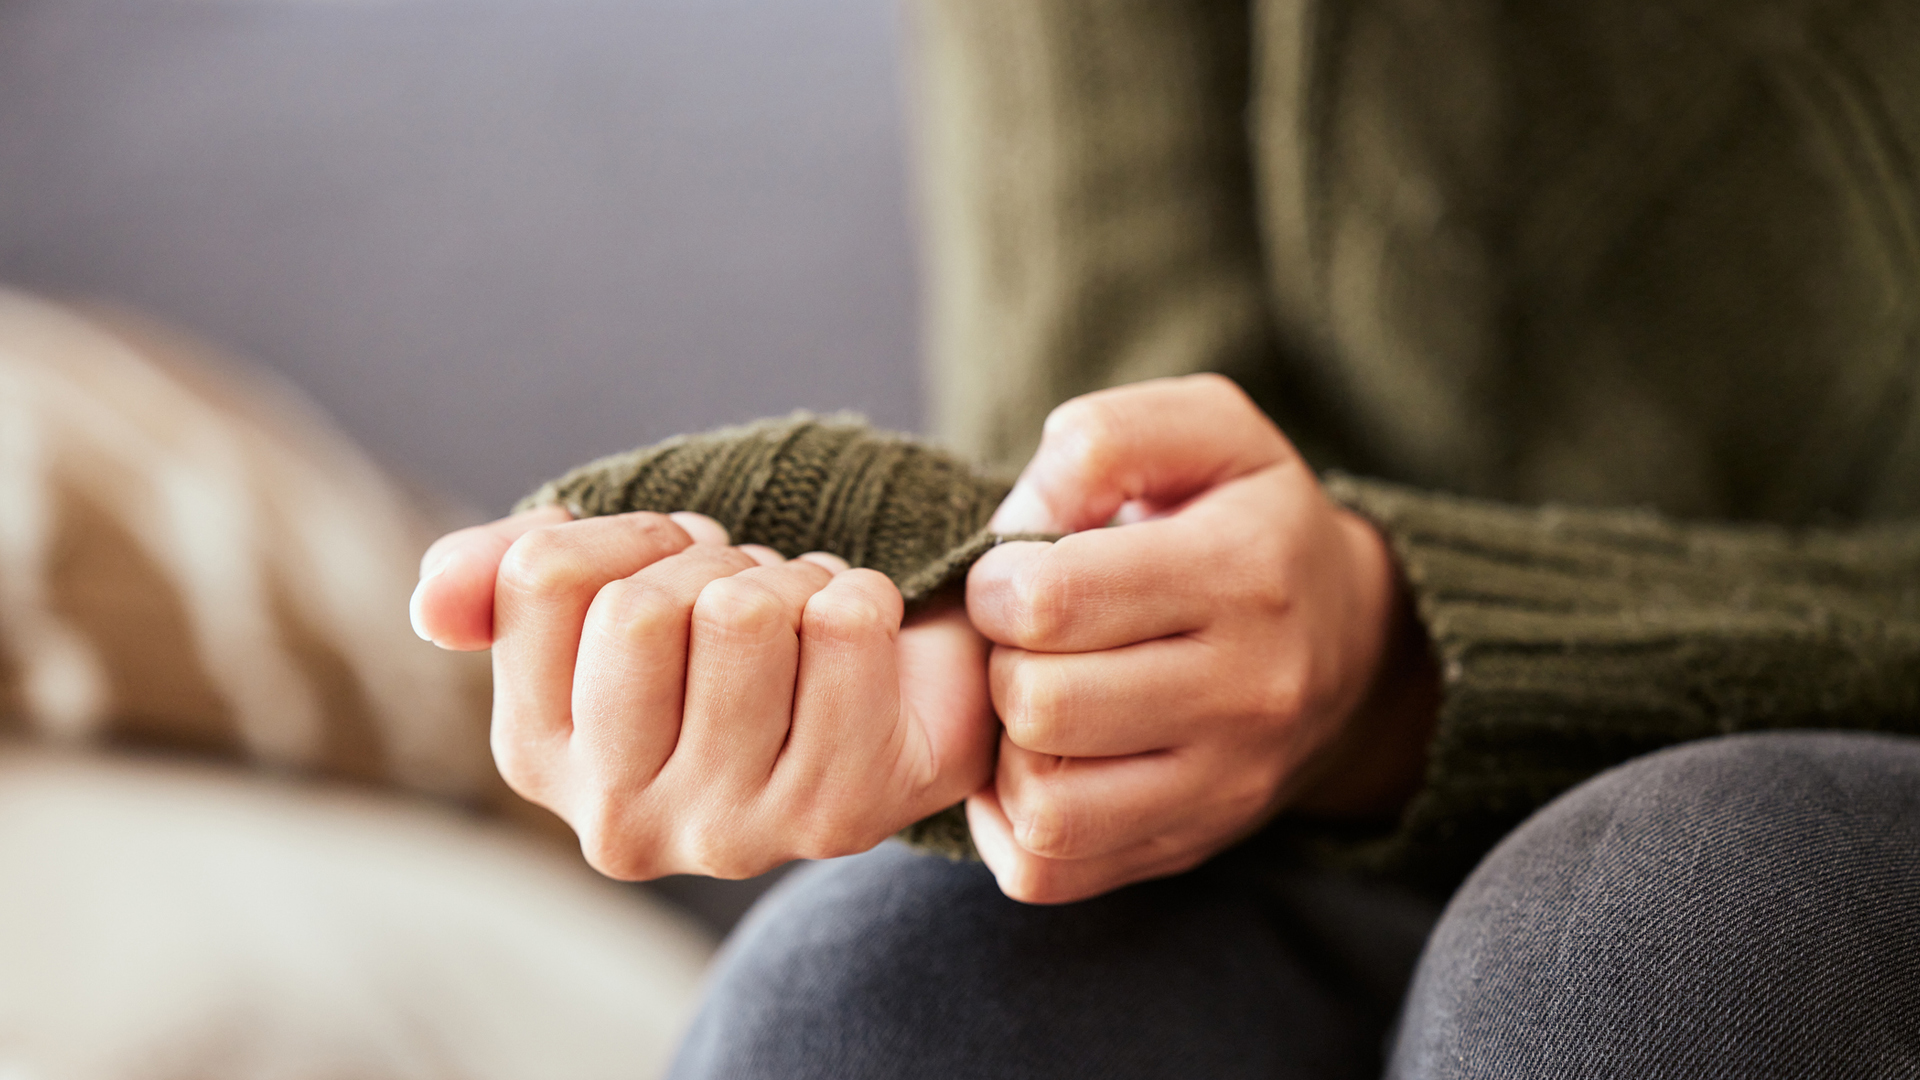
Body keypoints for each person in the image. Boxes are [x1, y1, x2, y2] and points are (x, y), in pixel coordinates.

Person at [412, 2, 1920, 1075]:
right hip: (1337, 832)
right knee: (886, 990)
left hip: (1749, 792)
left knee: (1680, 932)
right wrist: (1026, 662)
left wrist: (1387, 649)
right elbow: (1102, 436)